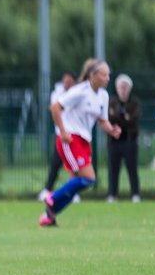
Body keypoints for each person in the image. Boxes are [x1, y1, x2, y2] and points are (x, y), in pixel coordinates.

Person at [40, 58, 121, 227]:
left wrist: (112, 129)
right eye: (104, 75)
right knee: (88, 178)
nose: (107, 78)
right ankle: (52, 198)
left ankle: (49, 215)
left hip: (84, 141)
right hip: (70, 139)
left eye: (108, 75)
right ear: (92, 76)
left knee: (79, 181)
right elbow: (55, 107)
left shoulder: (104, 96)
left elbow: (102, 121)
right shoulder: (80, 91)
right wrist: (63, 132)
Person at [39, 71, 77, 204]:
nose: (66, 82)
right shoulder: (57, 93)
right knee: (56, 163)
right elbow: (56, 108)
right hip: (61, 135)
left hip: (74, 135)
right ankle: (48, 189)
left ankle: (73, 192)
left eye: (69, 80)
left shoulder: (77, 93)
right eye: (64, 80)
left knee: (73, 165)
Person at [105, 73, 141, 203]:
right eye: (121, 87)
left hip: (129, 140)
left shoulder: (135, 102)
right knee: (113, 169)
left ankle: (135, 194)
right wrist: (123, 118)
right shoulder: (111, 101)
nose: (123, 90)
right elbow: (109, 119)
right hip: (114, 141)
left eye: (125, 87)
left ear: (129, 89)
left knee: (132, 169)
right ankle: (112, 194)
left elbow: (133, 120)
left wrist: (119, 118)